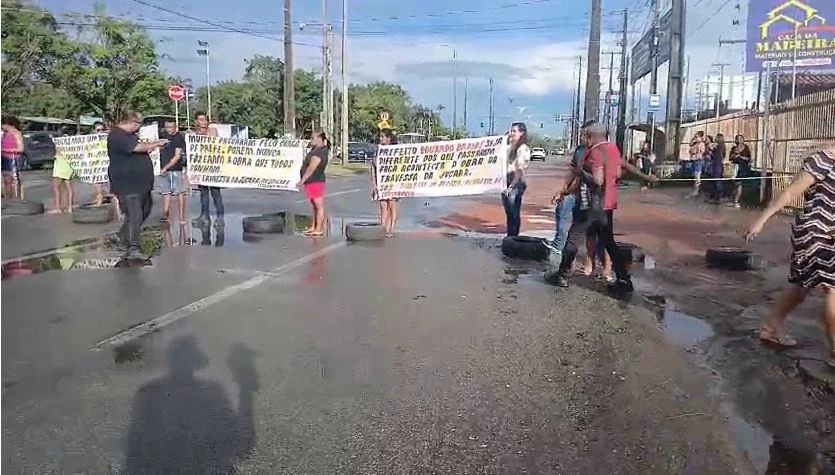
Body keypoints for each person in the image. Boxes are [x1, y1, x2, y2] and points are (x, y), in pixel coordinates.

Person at [744, 147, 834, 369]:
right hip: (816, 233)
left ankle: (771, 327)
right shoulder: (823, 159)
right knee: (832, 289)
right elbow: (791, 192)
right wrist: (761, 219)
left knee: (801, 286)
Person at [553, 122, 633, 292]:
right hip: (607, 206)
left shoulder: (595, 152)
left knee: (573, 240)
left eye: (586, 136)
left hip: (590, 205)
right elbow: (619, 172)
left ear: (593, 136)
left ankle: (562, 276)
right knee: (609, 243)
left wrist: (580, 171)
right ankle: (624, 281)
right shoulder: (612, 149)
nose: (584, 139)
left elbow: (597, 180)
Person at [107, 111, 167, 258]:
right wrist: (157, 143)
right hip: (128, 184)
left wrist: (151, 148)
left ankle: (121, 237)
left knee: (145, 209)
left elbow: (139, 149)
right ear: (132, 122)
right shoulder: (117, 135)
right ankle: (133, 248)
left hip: (141, 184)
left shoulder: (129, 135)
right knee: (135, 215)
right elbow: (137, 148)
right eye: (139, 124)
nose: (140, 127)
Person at [193, 112, 223, 225]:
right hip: (201, 167)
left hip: (212, 167)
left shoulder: (212, 131)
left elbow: (213, 141)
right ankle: (204, 216)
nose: (203, 122)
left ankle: (220, 217)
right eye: (200, 120)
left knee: (215, 193)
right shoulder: (194, 134)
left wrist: (202, 134)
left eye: (204, 120)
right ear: (196, 121)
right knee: (203, 193)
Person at [299, 130, 330, 236]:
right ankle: (313, 226)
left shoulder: (320, 152)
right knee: (314, 205)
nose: (311, 140)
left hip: (315, 180)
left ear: (319, 139)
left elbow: (311, 169)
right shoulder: (315, 149)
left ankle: (319, 228)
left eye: (313, 138)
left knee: (318, 205)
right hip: (311, 181)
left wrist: (301, 181)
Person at [502, 122, 531, 237]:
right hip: (507, 181)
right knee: (509, 212)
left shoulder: (522, 148)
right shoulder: (510, 147)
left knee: (513, 212)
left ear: (522, 133)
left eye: (514, 131)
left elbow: (519, 170)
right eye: (511, 131)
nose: (511, 133)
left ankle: (513, 237)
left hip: (516, 182)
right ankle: (510, 236)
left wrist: (511, 186)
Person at [371, 128, 399, 237]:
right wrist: (373, 183)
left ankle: (391, 228)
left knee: (391, 203)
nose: (380, 138)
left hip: (392, 182)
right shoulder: (377, 151)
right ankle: (383, 227)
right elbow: (373, 167)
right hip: (380, 182)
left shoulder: (394, 151)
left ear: (389, 139)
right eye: (380, 136)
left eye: (383, 137)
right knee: (383, 205)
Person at [158, 119, 187, 224]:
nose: (168, 129)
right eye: (166, 127)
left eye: (170, 127)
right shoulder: (163, 136)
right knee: (166, 193)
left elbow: (177, 156)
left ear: (175, 127)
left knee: (179, 193)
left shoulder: (179, 137)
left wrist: (166, 167)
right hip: (163, 169)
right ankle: (166, 216)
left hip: (175, 170)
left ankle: (182, 217)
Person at [1, 115, 24, 199]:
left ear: (7, 124)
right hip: (4, 159)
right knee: (7, 181)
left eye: (2, 125)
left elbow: (20, 149)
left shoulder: (16, 133)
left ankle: (17, 200)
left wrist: (5, 150)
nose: (2, 127)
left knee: (15, 181)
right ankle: (8, 199)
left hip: (13, 159)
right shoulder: (3, 134)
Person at [728, 134, 752, 208]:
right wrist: (734, 156)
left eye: (741, 138)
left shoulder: (746, 148)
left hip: (742, 168)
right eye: (737, 138)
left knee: (739, 184)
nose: (739, 140)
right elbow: (730, 158)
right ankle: (733, 200)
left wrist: (741, 157)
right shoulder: (733, 148)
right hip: (735, 167)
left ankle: (736, 201)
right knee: (734, 184)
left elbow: (749, 159)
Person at [707, 133, 727, 204]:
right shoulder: (723, 147)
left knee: (716, 181)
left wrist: (710, 151)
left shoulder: (718, 146)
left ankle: (716, 197)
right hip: (719, 165)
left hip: (716, 165)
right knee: (716, 181)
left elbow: (713, 154)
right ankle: (716, 197)